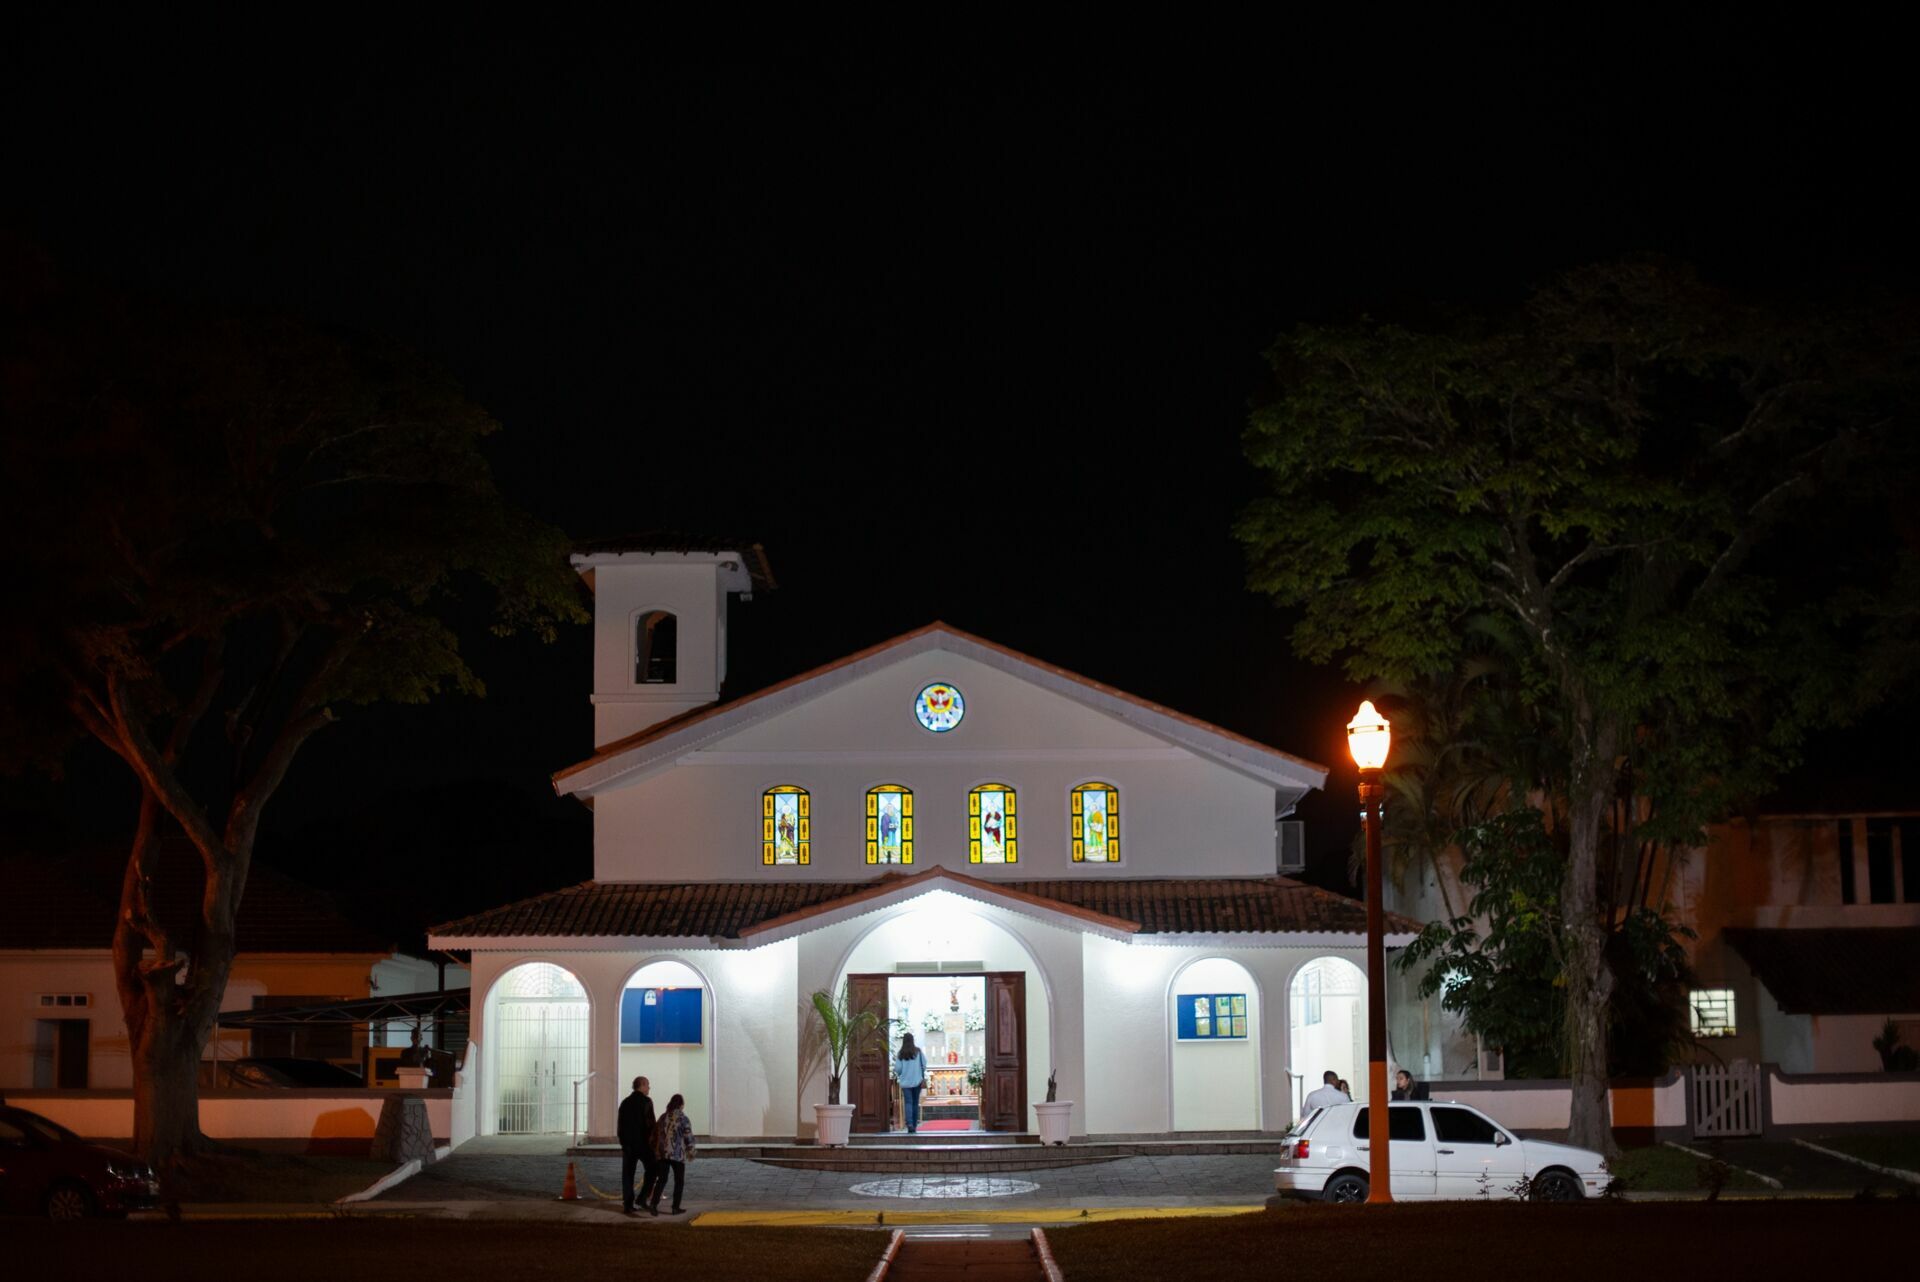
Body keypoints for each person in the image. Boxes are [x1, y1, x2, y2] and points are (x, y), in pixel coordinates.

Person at [617, 1075, 659, 1215]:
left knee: (628, 1175)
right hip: (643, 1144)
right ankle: (642, 1198)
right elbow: (650, 1124)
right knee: (653, 1169)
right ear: (641, 1085)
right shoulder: (646, 1102)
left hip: (628, 1145)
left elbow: (620, 1126)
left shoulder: (624, 1103)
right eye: (648, 1085)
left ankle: (628, 1205)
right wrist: (653, 1143)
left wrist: (623, 1142)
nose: (649, 1088)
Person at [650, 1092, 696, 1215]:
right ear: (681, 1105)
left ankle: (653, 1204)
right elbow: (688, 1136)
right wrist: (690, 1151)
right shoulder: (683, 1118)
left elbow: (655, 1134)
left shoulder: (663, 1117)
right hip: (677, 1154)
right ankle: (675, 1207)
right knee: (679, 1181)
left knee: (662, 1180)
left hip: (663, 1154)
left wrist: (656, 1150)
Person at [896, 1032, 928, 1134]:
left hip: (906, 1082)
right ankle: (914, 1125)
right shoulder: (918, 1051)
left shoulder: (901, 1053)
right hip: (917, 1081)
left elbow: (898, 1069)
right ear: (913, 1040)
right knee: (915, 1103)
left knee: (908, 1103)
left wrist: (902, 1072)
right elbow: (924, 1064)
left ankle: (909, 1124)